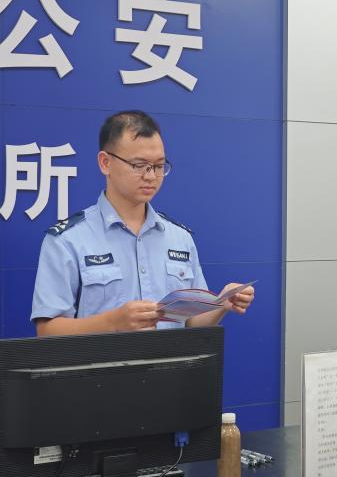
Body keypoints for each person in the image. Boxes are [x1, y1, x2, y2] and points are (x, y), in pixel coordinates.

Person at [31, 110, 254, 335]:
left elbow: (190, 323)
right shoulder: (67, 240)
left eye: (158, 166)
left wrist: (220, 304)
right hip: (104, 360)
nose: (150, 176)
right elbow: (47, 330)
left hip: (171, 359)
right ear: (105, 163)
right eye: (139, 165)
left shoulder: (179, 238)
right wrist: (112, 322)